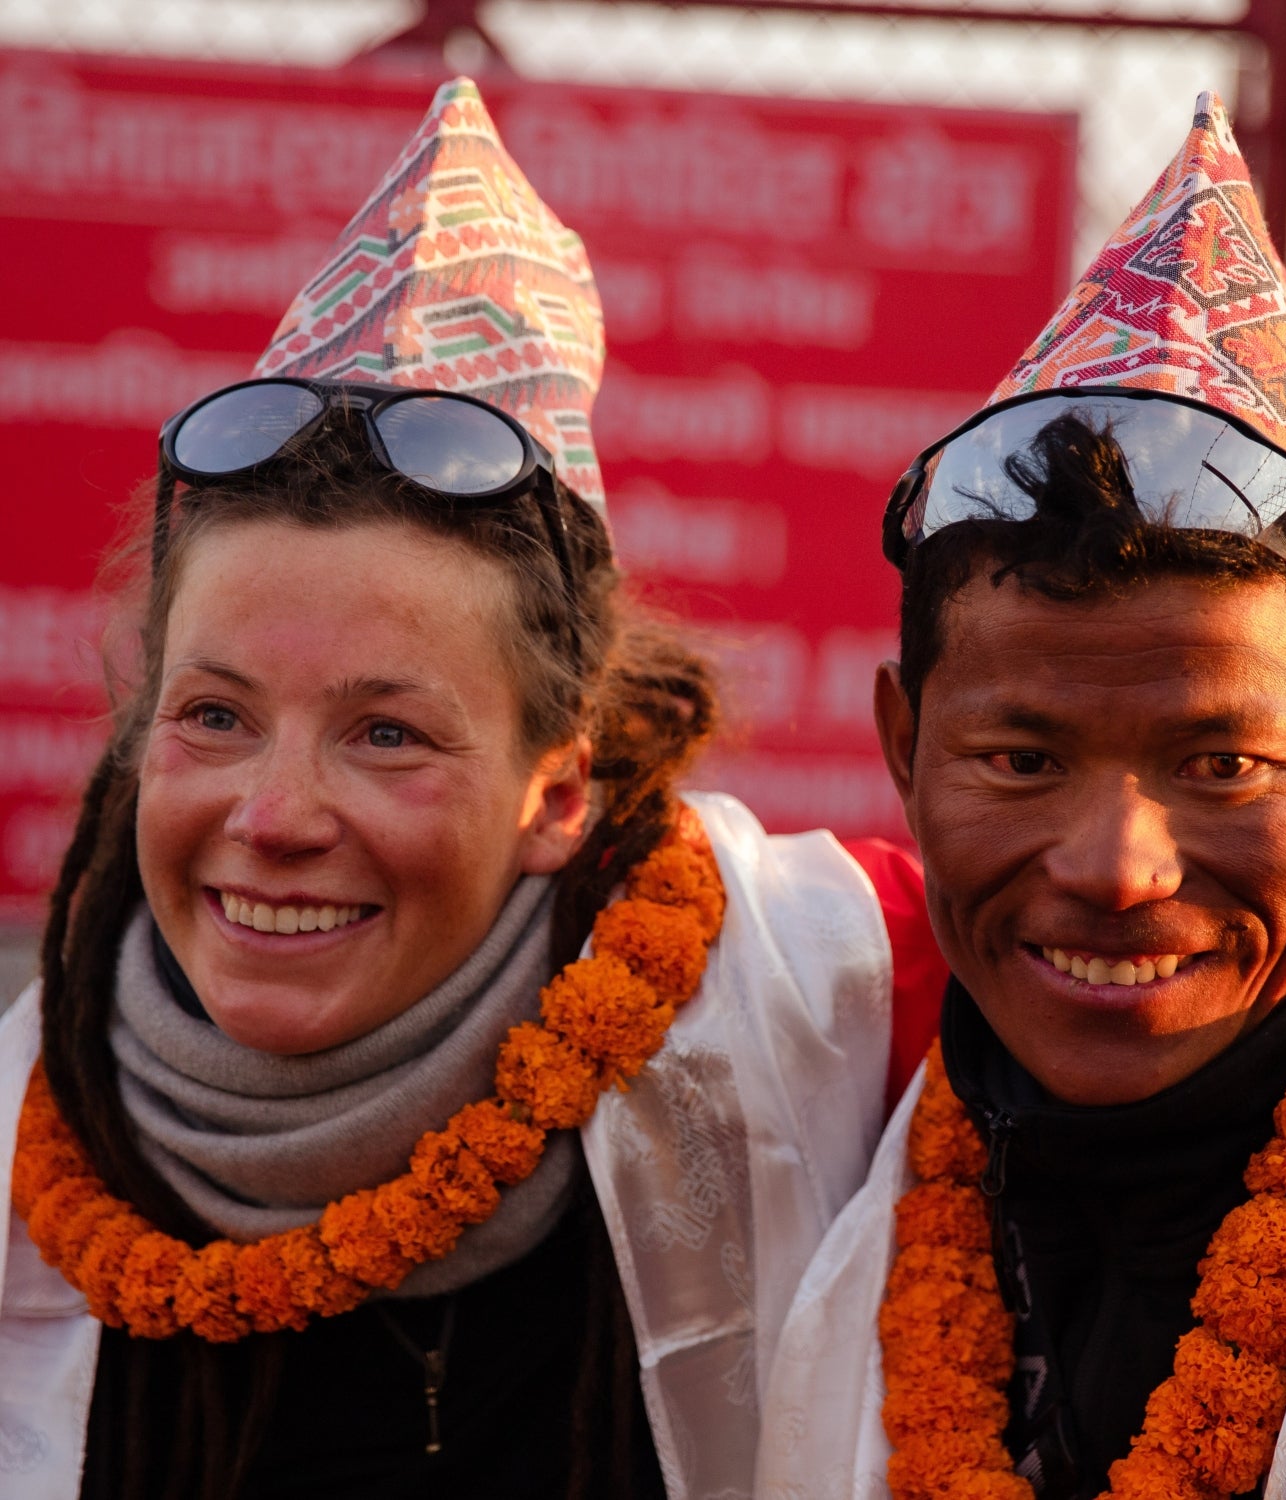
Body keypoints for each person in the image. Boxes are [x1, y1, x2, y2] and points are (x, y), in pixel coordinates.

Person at [0, 78, 940, 1500]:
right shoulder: (28, 1132)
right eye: (214, 716)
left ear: (560, 791)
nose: (274, 815)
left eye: (387, 735)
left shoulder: (828, 999)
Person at [759, 94, 1286, 1500]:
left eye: (1222, 765)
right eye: (1021, 760)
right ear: (902, 750)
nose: (1117, 867)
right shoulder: (796, 1123)